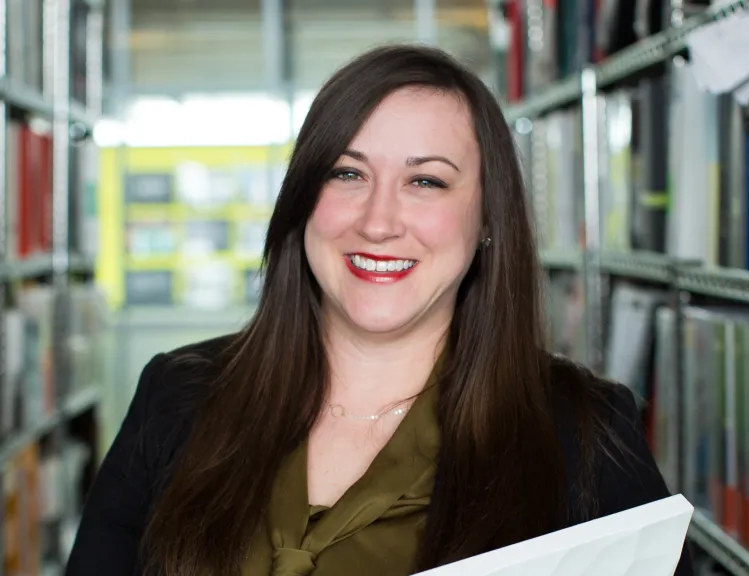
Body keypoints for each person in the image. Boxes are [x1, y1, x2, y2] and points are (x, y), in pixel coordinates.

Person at [65, 45, 693, 576]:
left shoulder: (585, 435)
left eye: (426, 181)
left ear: (487, 221)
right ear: (303, 200)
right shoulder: (176, 397)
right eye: (346, 174)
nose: (378, 222)